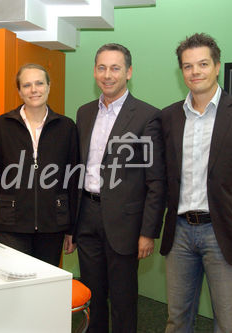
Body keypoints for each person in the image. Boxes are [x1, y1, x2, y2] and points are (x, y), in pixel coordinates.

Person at [160, 33, 232, 332]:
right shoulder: (168, 117)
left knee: (230, 322)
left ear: (217, 66)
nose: (195, 71)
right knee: (177, 319)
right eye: (187, 66)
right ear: (181, 71)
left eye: (203, 64)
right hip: (180, 233)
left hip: (222, 232)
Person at [74, 43, 166, 332]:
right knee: (93, 294)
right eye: (101, 67)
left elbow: (155, 181)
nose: (107, 74)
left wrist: (148, 232)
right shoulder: (84, 112)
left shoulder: (148, 116)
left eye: (115, 68)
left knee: (124, 299)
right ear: (94, 72)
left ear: (129, 72)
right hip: (87, 214)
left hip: (125, 223)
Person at [0, 63, 79, 266]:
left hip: (53, 224)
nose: (34, 90)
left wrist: (72, 229)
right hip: (11, 224)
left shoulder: (66, 127)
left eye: (39, 83)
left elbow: (74, 179)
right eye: (27, 85)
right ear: (19, 91)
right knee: (15, 284)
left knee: (45, 285)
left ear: (49, 87)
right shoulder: (1, 126)